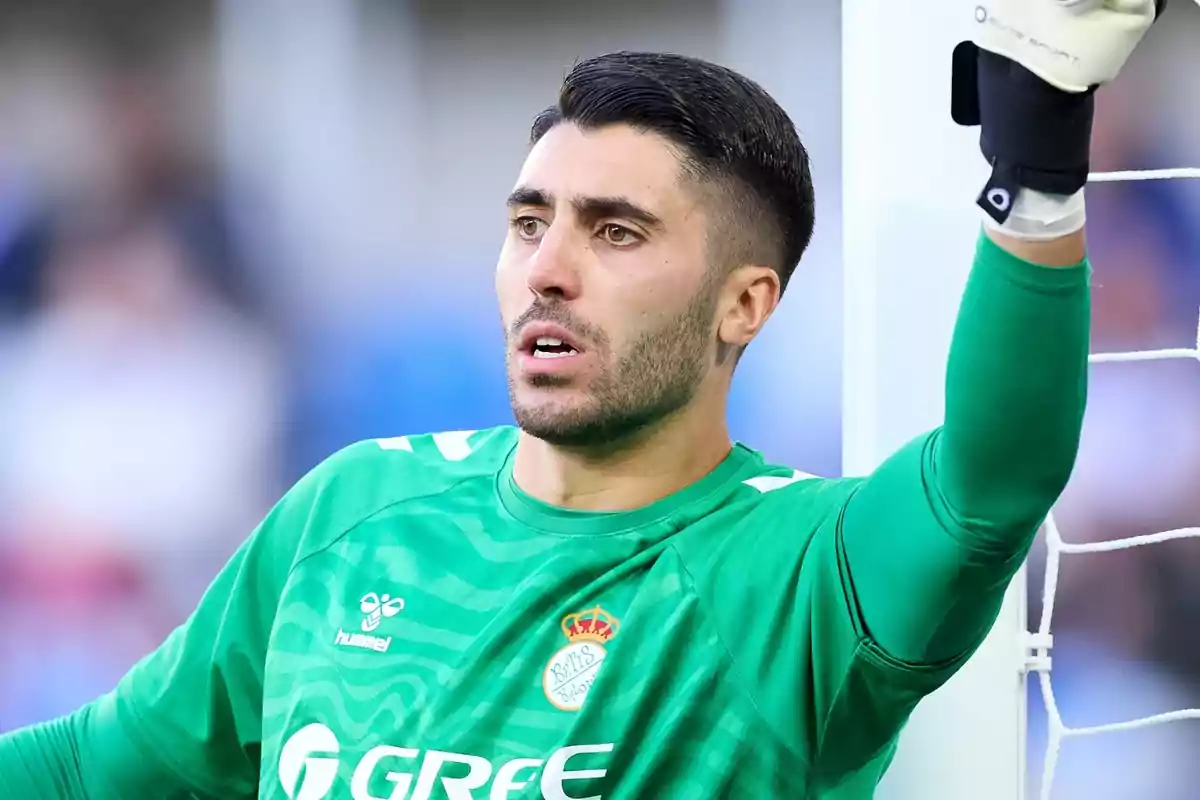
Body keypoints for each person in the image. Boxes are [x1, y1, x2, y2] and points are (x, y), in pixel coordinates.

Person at [0, 2, 1167, 797]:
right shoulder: (348, 509)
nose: (548, 266)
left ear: (743, 304)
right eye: (528, 222)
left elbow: (990, 481)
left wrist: (1039, 155)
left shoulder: (793, 567)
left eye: (616, 231)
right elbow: (99, 762)